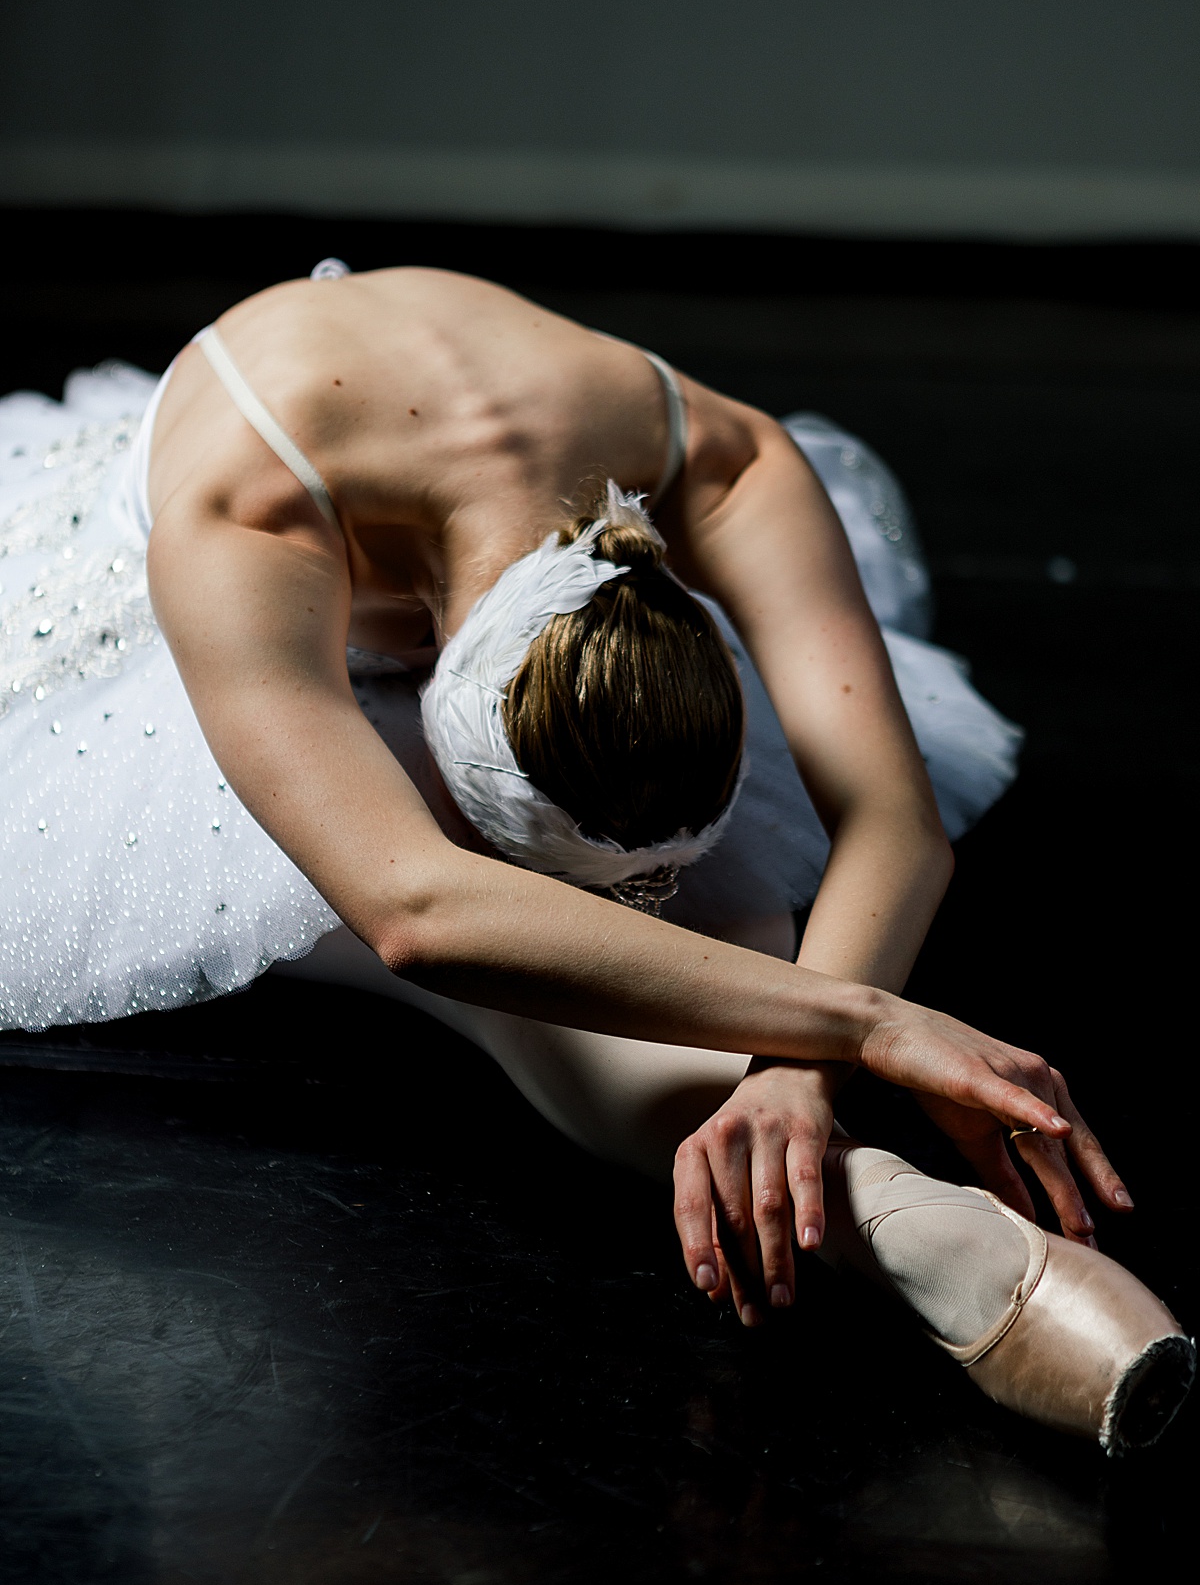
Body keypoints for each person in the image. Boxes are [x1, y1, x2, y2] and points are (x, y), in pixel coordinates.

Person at [0, 263, 1190, 1450]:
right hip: (201, 619)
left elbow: (891, 816)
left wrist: (797, 1067)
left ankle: (876, 1203)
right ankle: (894, 1220)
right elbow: (415, 908)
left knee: (725, 926)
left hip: (481, 535)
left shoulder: (723, 458)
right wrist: (866, 1019)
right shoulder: (249, 519)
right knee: (495, 965)